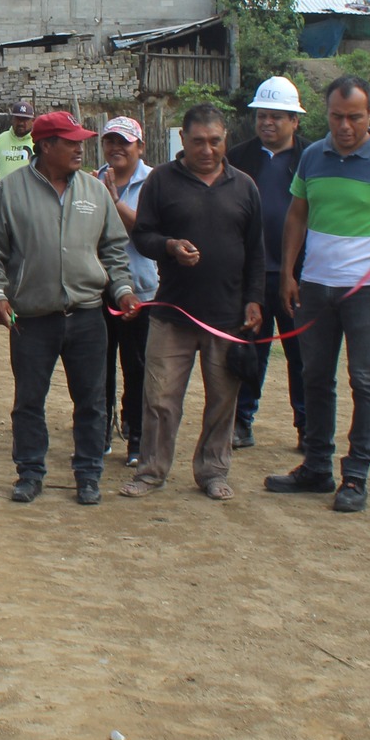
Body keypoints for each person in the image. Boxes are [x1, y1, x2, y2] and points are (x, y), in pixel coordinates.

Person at [266, 75, 370, 514]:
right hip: (315, 285)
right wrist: (289, 273)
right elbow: (297, 214)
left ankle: (356, 473)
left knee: (365, 379)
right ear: (327, 115)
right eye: (337, 116)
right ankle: (317, 466)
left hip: (366, 291)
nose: (345, 126)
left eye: (354, 117)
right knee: (315, 376)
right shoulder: (313, 156)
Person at [0, 111, 136, 505]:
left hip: (86, 316)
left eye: (81, 141)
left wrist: (124, 289)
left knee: (92, 401)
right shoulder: (9, 192)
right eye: (71, 142)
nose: (81, 148)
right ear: (46, 146)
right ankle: (30, 472)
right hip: (31, 318)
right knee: (29, 401)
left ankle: (88, 474)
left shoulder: (95, 192)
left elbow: (114, 249)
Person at [123, 104, 264, 502]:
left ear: (225, 140)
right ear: (182, 140)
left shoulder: (244, 187)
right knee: (160, 398)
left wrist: (254, 299)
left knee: (223, 400)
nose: (207, 149)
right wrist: (169, 247)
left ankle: (213, 471)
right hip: (172, 313)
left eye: (215, 141)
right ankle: (151, 471)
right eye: (198, 141)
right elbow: (143, 236)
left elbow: (256, 252)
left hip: (227, 316)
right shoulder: (162, 182)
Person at [227, 75, 308, 451]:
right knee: (249, 350)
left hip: (298, 276)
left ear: (295, 121)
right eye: (262, 115)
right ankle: (242, 421)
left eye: (277, 116)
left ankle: (307, 426)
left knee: (303, 356)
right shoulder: (238, 159)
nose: (267, 123)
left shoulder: (311, 159)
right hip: (251, 276)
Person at [99, 116, 158, 467]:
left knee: (137, 367)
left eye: (125, 141)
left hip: (141, 290)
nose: (117, 148)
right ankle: (100, 430)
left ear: (140, 146)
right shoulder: (92, 179)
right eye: (110, 141)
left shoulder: (154, 183)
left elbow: (149, 234)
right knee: (98, 366)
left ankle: (136, 436)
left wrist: (114, 201)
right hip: (100, 290)